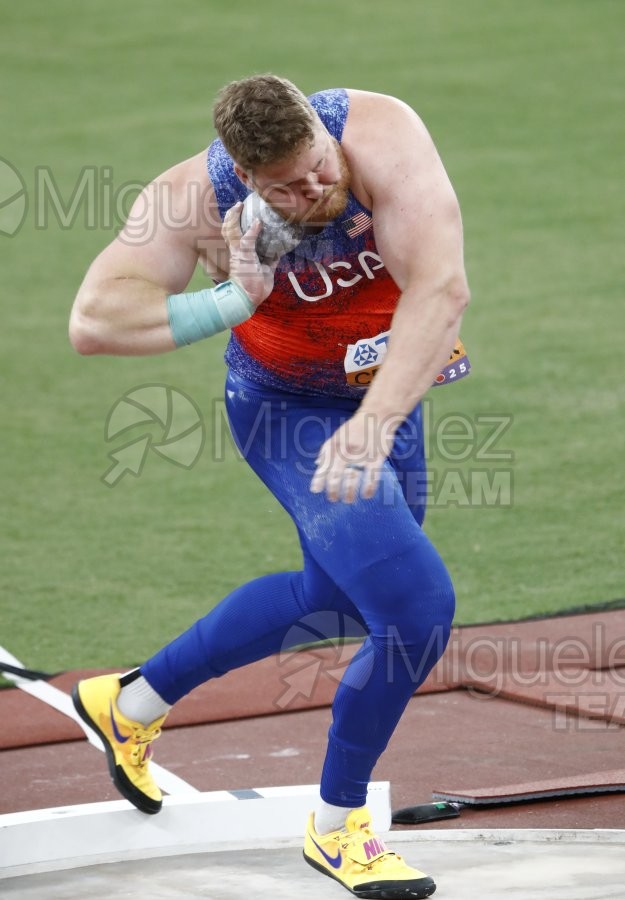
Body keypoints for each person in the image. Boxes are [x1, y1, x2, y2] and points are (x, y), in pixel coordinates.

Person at [69, 74, 470, 899]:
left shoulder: (381, 134)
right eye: (287, 185)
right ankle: (338, 827)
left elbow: (441, 289)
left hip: (381, 397)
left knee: (342, 601)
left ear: (321, 129)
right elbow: (94, 321)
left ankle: (130, 702)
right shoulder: (191, 197)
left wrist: (375, 420)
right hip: (287, 413)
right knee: (416, 608)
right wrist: (231, 299)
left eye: (319, 165)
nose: (314, 188)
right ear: (246, 176)